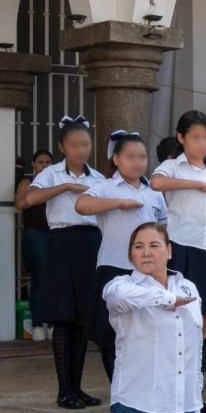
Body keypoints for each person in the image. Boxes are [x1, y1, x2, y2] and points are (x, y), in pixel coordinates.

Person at [151, 110, 206, 413]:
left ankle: (196, 399)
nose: (201, 143)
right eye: (195, 137)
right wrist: (195, 185)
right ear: (181, 138)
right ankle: (179, 398)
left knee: (204, 326)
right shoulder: (173, 166)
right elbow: (156, 182)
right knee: (181, 324)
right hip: (185, 249)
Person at [23, 115, 105, 409]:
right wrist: (66, 187)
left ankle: (77, 387)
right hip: (61, 242)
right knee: (63, 317)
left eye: (85, 144)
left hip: (91, 244)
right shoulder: (52, 173)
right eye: (74, 145)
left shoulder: (98, 177)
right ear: (62, 146)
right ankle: (63, 389)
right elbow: (30, 199)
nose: (81, 150)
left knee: (82, 319)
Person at [75, 131, 168, 382]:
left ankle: (140, 387)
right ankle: (119, 389)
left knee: (145, 332)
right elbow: (81, 205)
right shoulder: (105, 187)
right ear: (116, 159)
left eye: (142, 157)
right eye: (130, 157)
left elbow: (163, 227)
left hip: (147, 272)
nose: (137, 162)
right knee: (111, 336)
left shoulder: (153, 192)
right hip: (114, 267)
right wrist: (118, 203)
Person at [104, 222, 202, 413]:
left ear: (169, 250)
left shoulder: (188, 287)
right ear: (130, 254)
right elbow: (118, 297)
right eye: (138, 246)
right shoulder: (121, 286)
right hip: (138, 400)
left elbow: (195, 346)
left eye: (154, 245)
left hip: (182, 401)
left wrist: (196, 398)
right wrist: (168, 299)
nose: (146, 253)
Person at [15, 149, 54, 341]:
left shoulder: (56, 182)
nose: (44, 166)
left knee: (56, 280)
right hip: (36, 234)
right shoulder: (27, 182)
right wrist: (38, 192)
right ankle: (38, 325)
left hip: (57, 234)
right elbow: (20, 204)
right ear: (33, 164)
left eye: (48, 162)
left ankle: (53, 324)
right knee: (39, 279)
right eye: (40, 162)